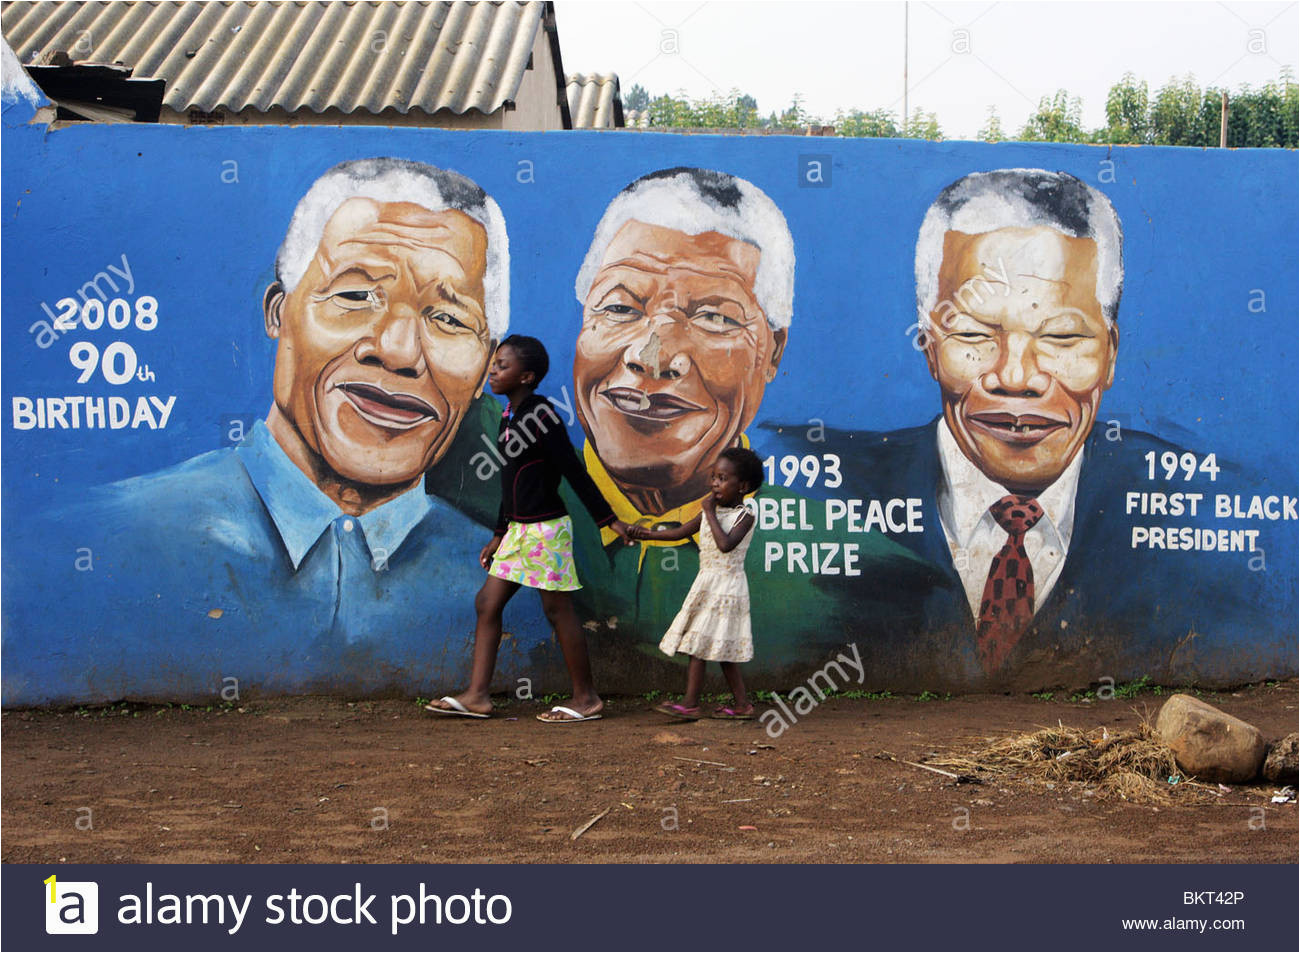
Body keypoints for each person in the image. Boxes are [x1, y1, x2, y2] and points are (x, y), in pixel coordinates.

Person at [5, 157, 512, 703]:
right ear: (277, 312)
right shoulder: (102, 543)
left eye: (450, 319)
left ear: (485, 368)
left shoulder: (501, 582)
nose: (397, 351)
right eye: (355, 295)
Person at [834, 168, 1293, 688]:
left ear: (1110, 355)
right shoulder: (834, 495)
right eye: (972, 334)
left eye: (1061, 336)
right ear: (930, 346)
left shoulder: (1207, 514)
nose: (1016, 377)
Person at [561, 167, 940, 673]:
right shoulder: (523, 507)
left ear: (772, 352)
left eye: (715, 317)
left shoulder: (881, 582)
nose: (652, 357)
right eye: (620, 307)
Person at [425, 335, 633, 723]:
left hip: (545, 530)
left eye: (503, 366)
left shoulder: (542, 416)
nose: (493, 370)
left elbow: (574, 472)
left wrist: (608, 520)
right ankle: (477, 696)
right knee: (487, 603)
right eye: (494, 364)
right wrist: (500, 532)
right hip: (520, 531)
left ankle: (586, 699)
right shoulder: (510, 417)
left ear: (527, 376)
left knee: (557, 609)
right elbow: (512, 480)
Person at [631, 448, 763, 720]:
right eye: (713, 477)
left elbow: (725, 545)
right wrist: (644, 533)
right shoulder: (709, 512)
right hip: (707, 584)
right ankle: (742, 706)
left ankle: (690, 704)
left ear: (743, 487)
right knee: (719, 649)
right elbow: (678, 532)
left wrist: (709, 513)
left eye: (723, 478)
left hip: (727, 588)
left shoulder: (745, 516)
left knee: (699, 644)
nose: (714, 483)